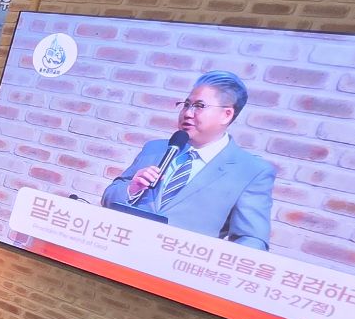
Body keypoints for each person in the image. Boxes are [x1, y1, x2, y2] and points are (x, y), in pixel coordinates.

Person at [101, 70, 275, 250]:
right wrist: (132, 189)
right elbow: (108, 198)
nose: (188, 113)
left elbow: (252, 241)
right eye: (186, 104)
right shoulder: (155, 149)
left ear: (227, 114)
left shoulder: (251, 171)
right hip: (119, 252)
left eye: (199, 106)